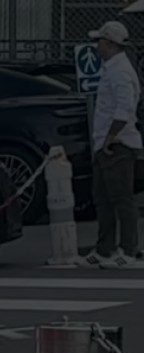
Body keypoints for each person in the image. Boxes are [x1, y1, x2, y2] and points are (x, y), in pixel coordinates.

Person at [81, 21, 142, 269]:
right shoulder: (112, 69)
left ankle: (128, 249)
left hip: (118, 144)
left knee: (121, 199)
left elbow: (124, 109)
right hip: (107, 143)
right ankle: (104, 248)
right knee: (103, 199)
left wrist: (110, 137)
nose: (97, 46)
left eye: (99, 41)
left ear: (108, 43)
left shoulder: (120, 72)